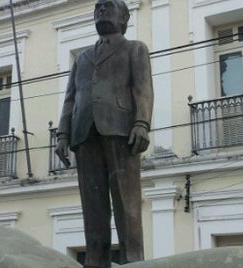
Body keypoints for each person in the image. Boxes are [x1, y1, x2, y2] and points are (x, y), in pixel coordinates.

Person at [55, 0, 153, 267]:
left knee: (126, 202)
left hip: (121, 130)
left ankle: (133, 260)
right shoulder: (82, 58)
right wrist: (62, 134)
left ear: (124, 18)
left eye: (108, 7)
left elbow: (142, 89)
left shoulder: (135, 49)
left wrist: (142, 123)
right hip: (84, 134)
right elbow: (70, 99)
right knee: (93, 204)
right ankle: (95, 260)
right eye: (97, 7)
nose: (101, 10)